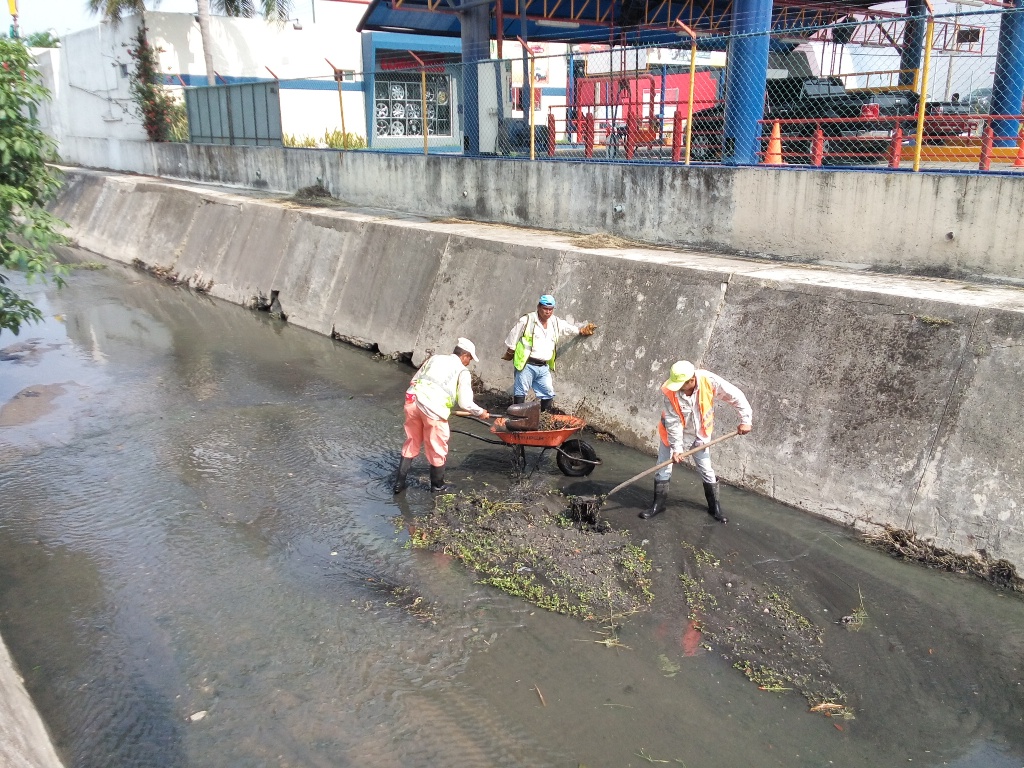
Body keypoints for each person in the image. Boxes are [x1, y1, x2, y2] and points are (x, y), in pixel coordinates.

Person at [640, 360, 753, 523]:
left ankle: (715, 508)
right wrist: (677, 448)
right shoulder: (671, 391)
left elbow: (736, 396)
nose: (678, 388)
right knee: (663, 466)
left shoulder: (709, 381)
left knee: (707, 470)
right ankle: (658, 504)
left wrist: (746, 420)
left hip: (700, 435)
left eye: (681, 385)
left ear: (691, 380)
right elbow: (673, 422)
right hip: (672, 435)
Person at [393, 338, 489, 494]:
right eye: (470, 358)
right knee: (437, 446)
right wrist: (481, 412)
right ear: (464, 355)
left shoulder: (434, 358)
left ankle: (399, 484)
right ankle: (437, 486)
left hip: (412, 401)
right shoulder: (462, 372)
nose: (469, 362)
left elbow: (414, 380)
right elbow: (465, 403)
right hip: (433, 410)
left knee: (412, 441)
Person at [502, 294, 596, 411]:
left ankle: (541, 417)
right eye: (545, 309)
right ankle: (516, 418)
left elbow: (567, 328)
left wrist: (580, 331)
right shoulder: (527, 320)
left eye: (550, 309)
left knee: (548, 393)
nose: (547, 312)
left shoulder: (555, 322)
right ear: (539, 307)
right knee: (521, 392)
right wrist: (510, 350)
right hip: (527, 364)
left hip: (543, 366)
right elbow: (514, 335)